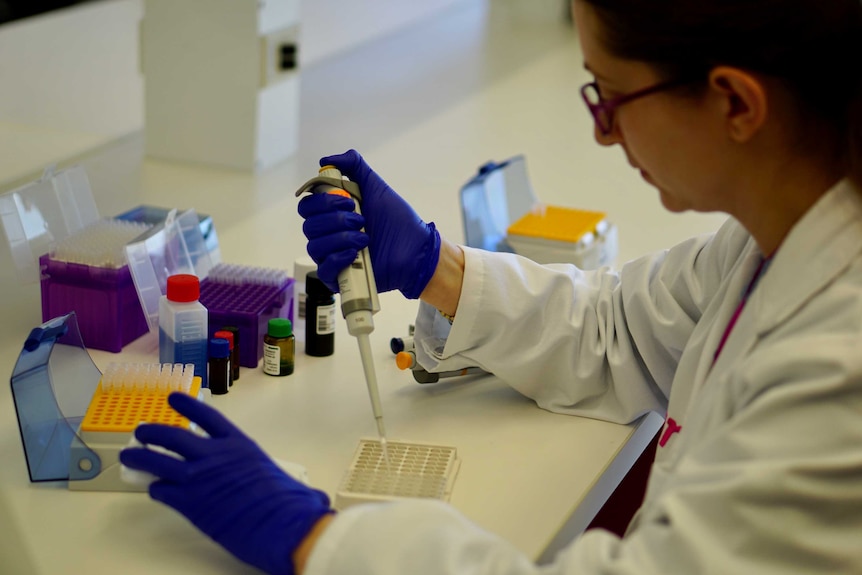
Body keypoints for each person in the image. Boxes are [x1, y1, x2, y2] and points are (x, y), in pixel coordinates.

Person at [120, 0, 862, 573]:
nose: (603, 133)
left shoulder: (839, 366)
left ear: (735, 102)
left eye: (608, 97)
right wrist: (433, 265)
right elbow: (620, 329)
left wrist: (320, 538)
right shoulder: (772, 236)